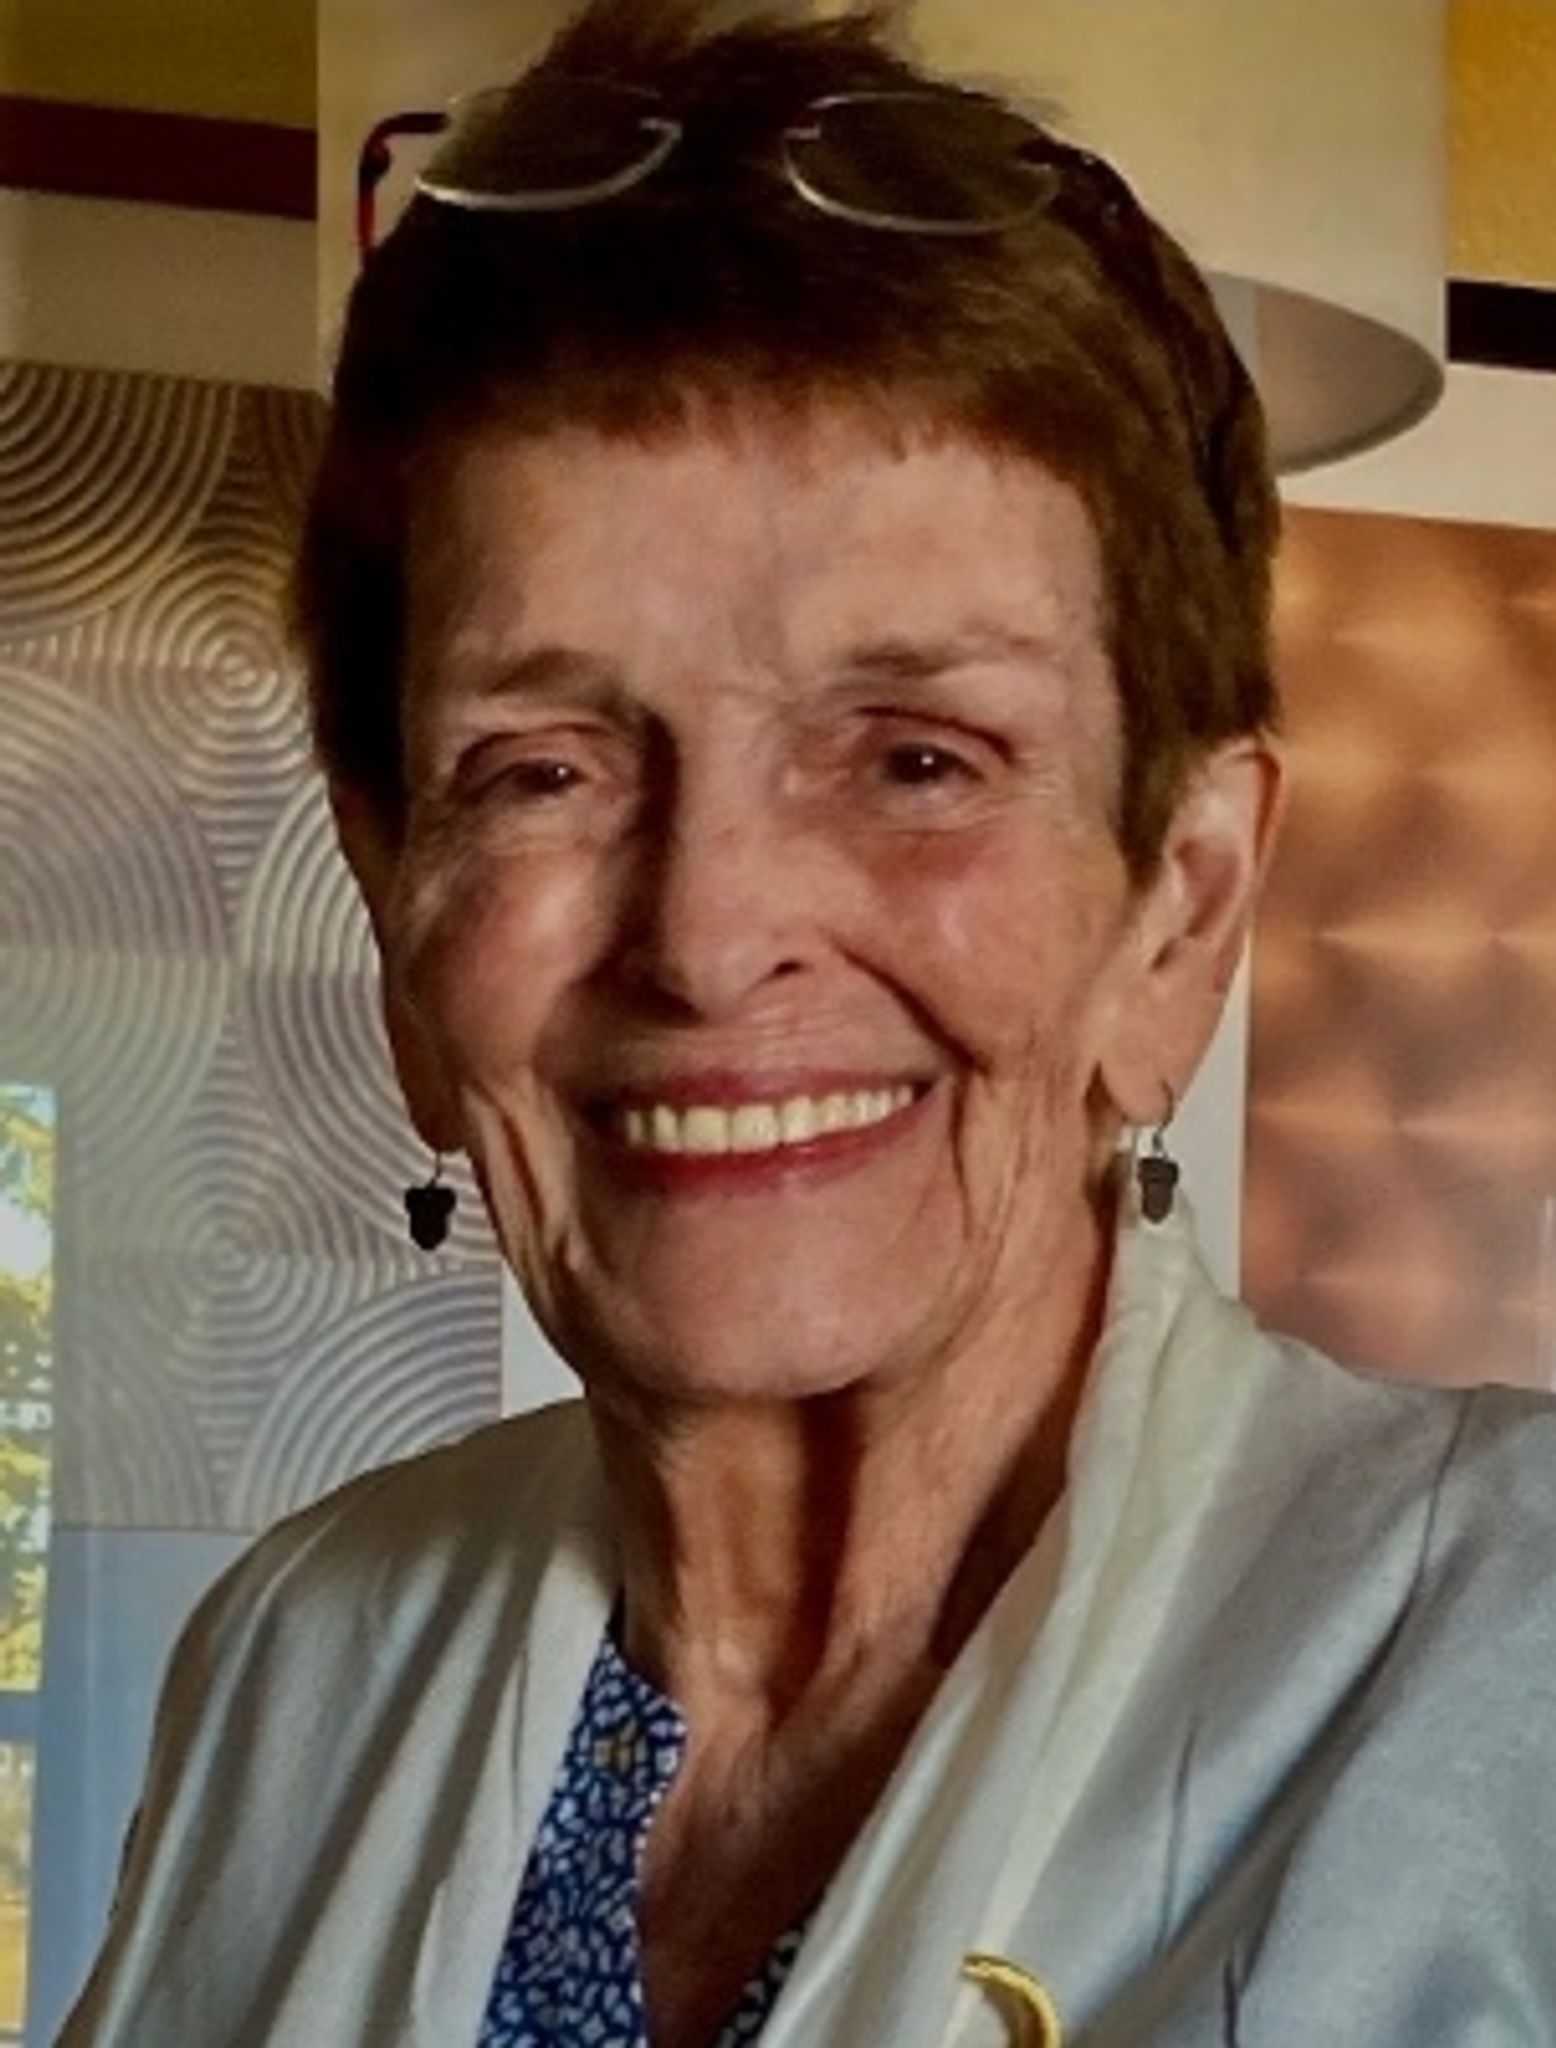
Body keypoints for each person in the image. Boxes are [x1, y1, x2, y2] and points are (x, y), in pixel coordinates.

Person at [57, 4, 1556, 2045]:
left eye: (917, 757)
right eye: (543, 768)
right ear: (398, 905)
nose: (707, 934)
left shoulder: (1507, 1658)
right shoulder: (295, 1656)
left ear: (1182, 908)